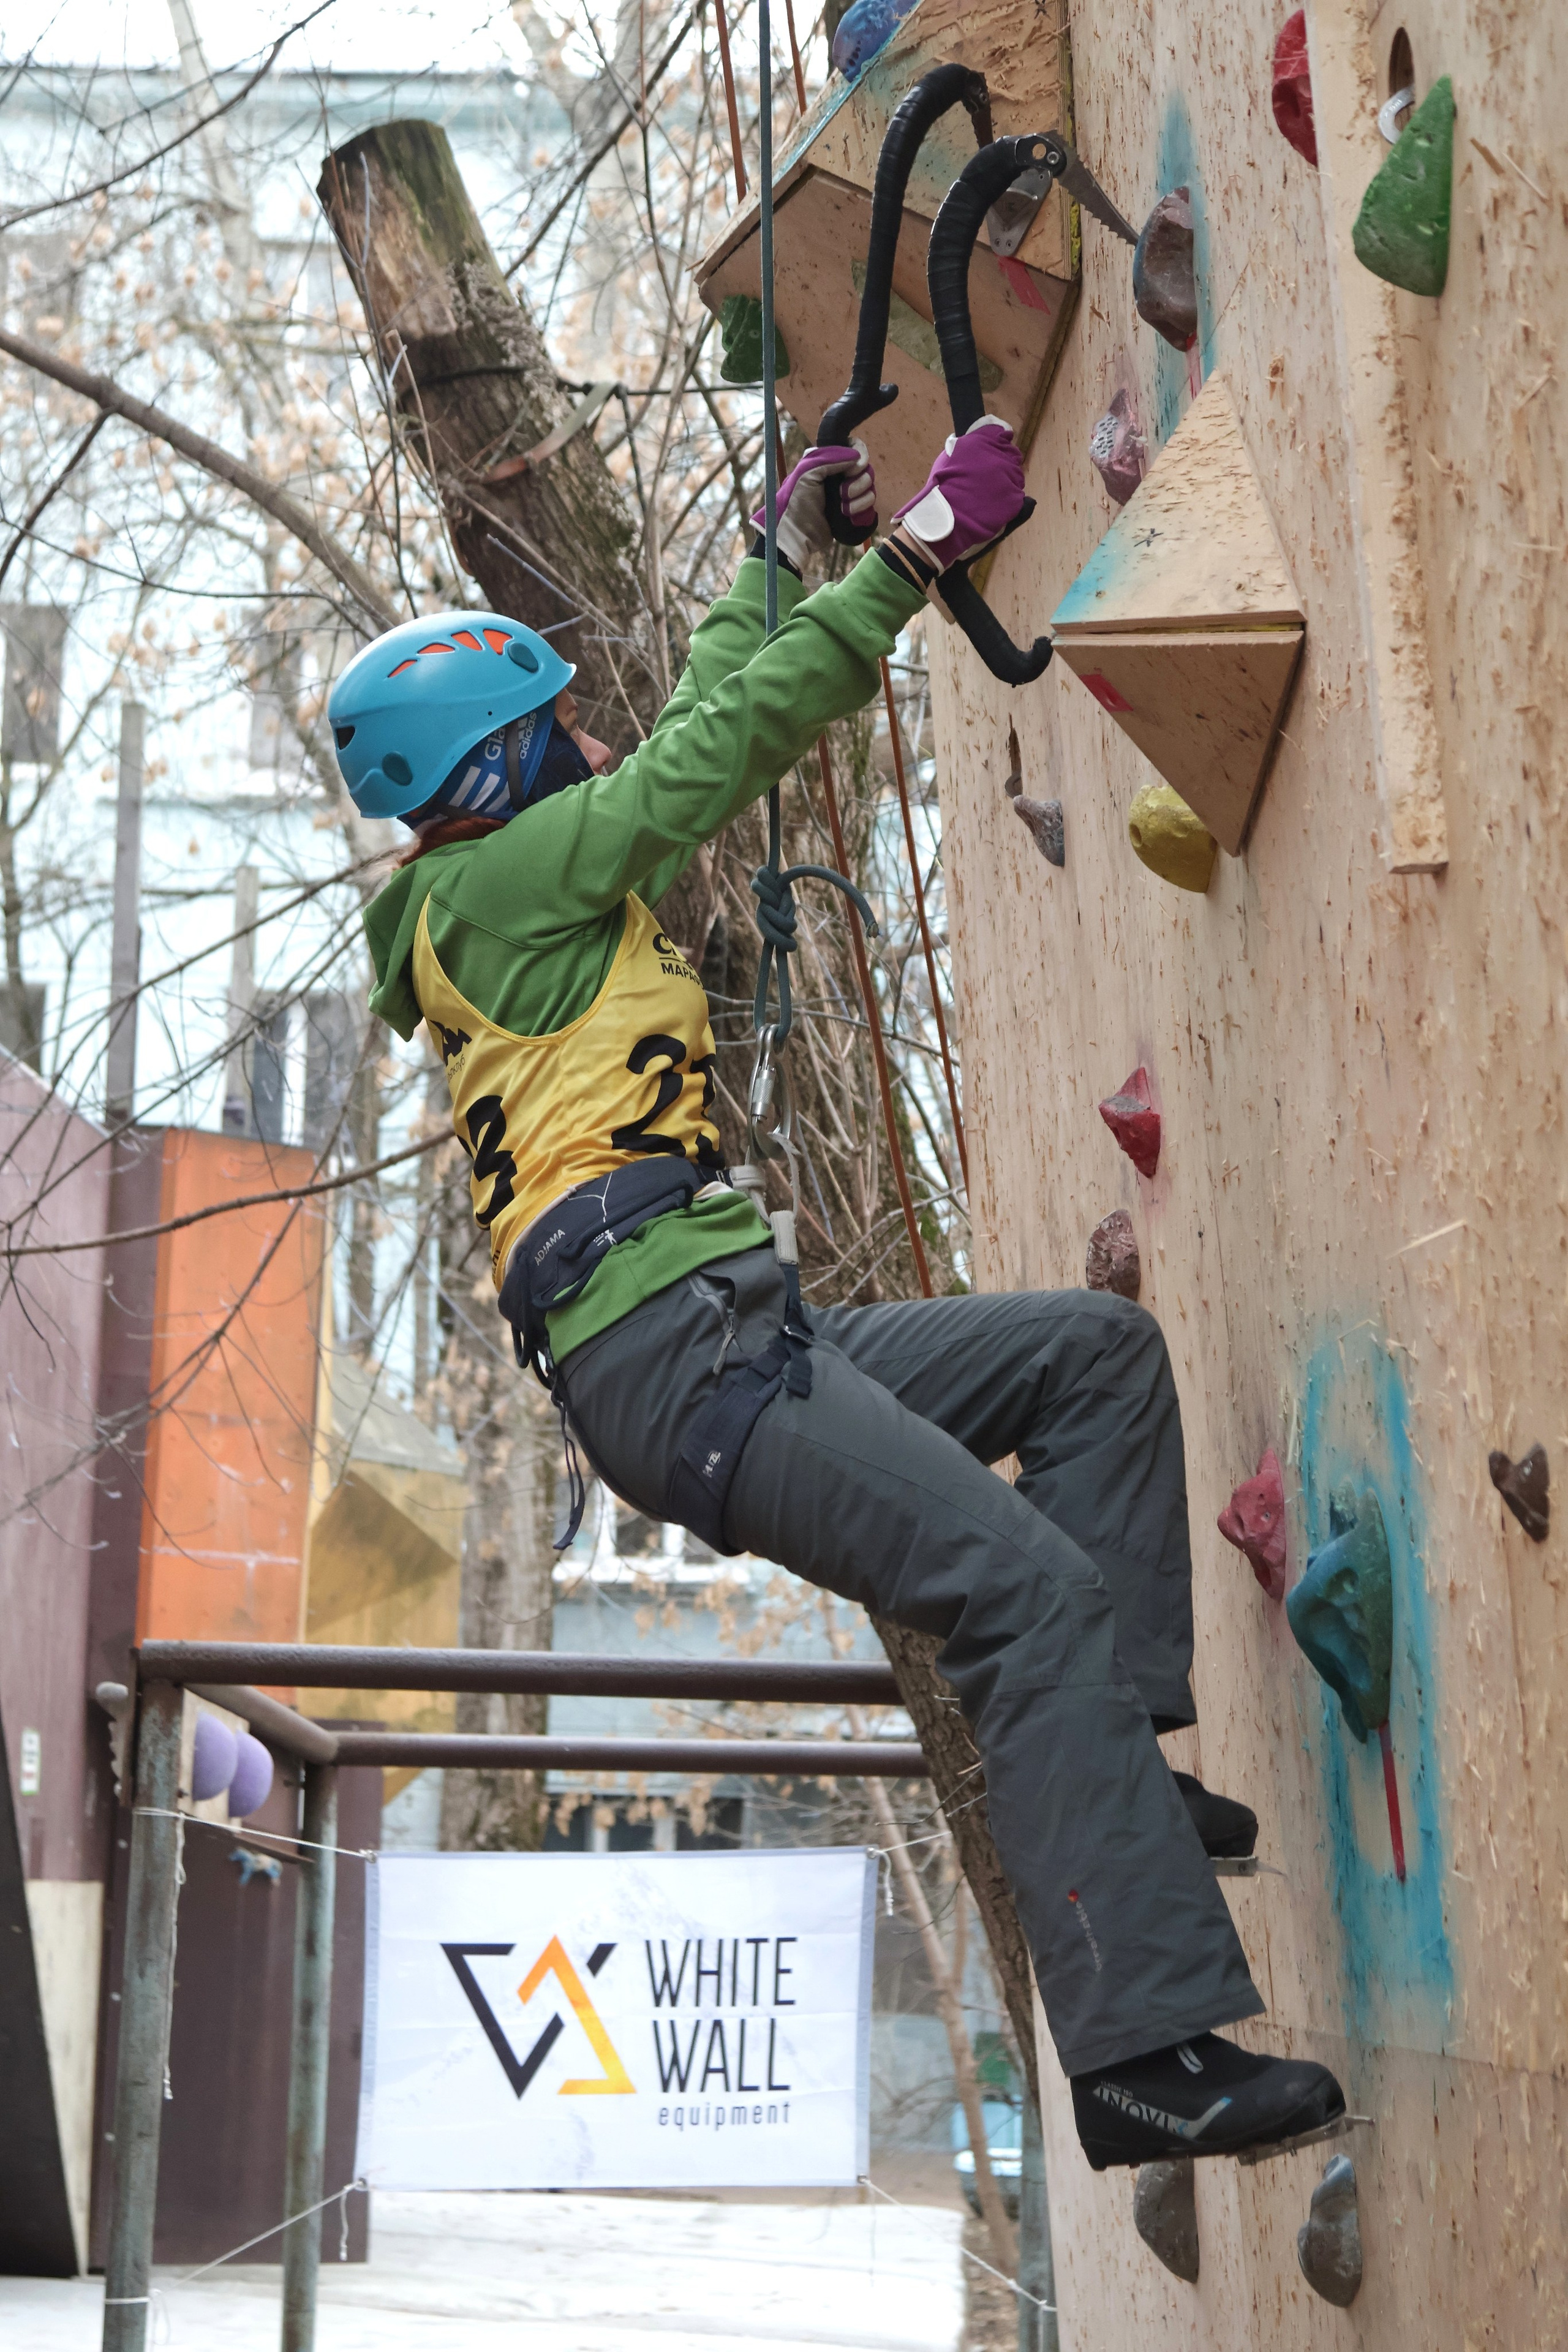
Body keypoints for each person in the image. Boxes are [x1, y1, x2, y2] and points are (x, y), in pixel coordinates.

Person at [333, 423, 1345, 2170]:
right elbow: (710, 760)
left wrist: (776, 553)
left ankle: (1122, 1795)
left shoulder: (514, 883)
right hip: (679, 1356)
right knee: (1020, 1592)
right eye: (558, 732)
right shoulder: (497, 882)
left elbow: (688, 737)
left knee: (1092, 1365)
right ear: (497, 781)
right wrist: (908, 566)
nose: (592, 744)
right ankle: (1140, 2054)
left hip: (725, 1335)